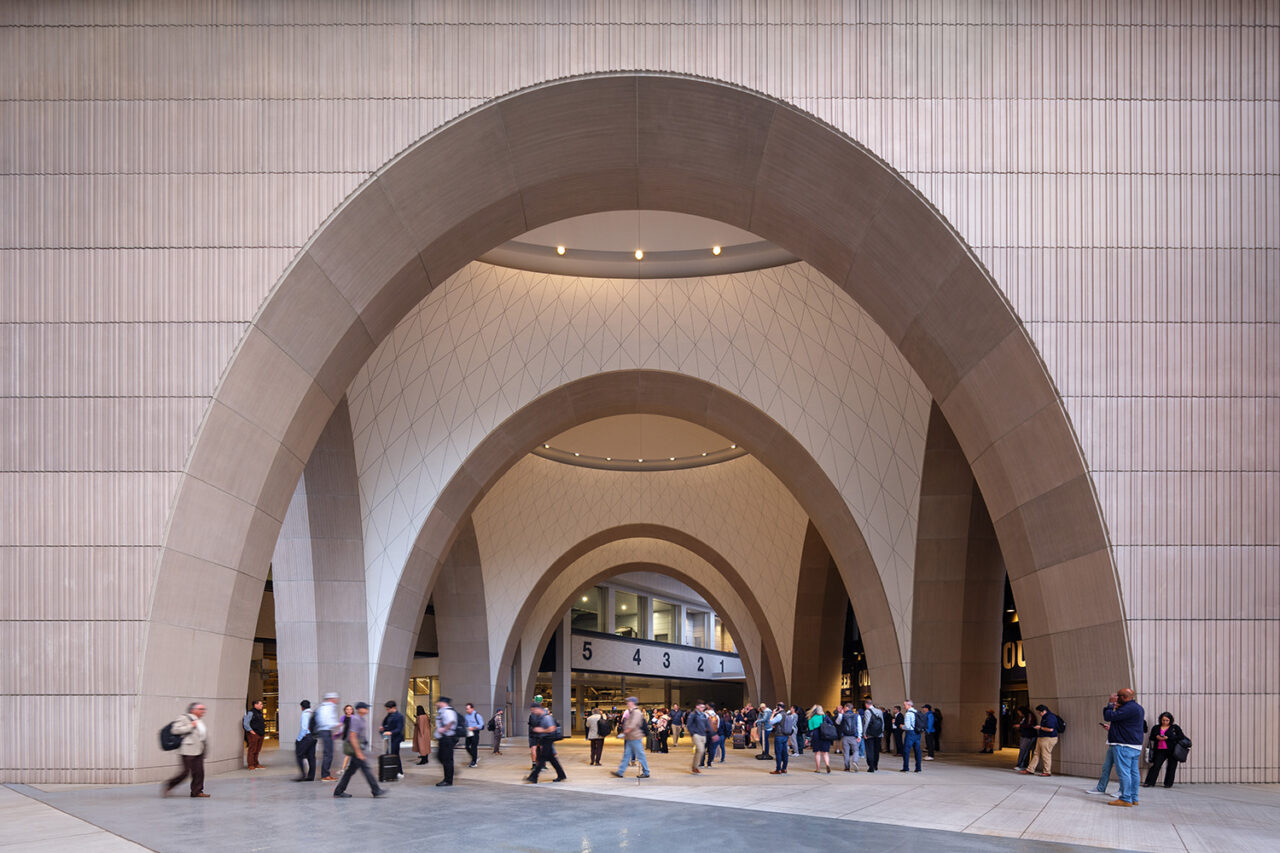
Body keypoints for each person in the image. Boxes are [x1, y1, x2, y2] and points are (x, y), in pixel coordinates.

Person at [333, 702, 387, 798]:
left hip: (358, 749)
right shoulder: (356, 719)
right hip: (355, 749)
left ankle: (338, 791)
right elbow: (352, 736)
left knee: (350, 771)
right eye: (365, 708)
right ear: (360, 709)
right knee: (366, 769)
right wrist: (358, 753)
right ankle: (376, 790)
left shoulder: (361, 719)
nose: (367, 709)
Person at [1102, 688, 1145, 806]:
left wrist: (1110, 703)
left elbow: (1109, 716)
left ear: (1124, 697)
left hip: (1124, 744)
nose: (1116, 698)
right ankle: (1134, 797)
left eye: (1118, 696)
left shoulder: (1128, 708)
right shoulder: (1138, 708)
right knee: (1133, 772)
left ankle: (1126, 798)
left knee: (1124, 772)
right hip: (1135, 745)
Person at [163, 702, 210, 798]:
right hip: (188, 749)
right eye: (201, 709)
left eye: (203, 709)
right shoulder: (184, 718)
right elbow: (175, 730)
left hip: (199, 750)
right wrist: (191, 726)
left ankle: (196, 792)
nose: (203, 711)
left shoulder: (199, 720)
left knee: (199, 772)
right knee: (185, 772)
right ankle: (169, 785)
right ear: (193, 710)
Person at [1086, 694, 1121, 795]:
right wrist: (1111, 729)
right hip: (1112, 743)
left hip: (1120, 745)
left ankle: (1123, 791)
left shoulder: (1125, 712)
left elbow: (1125, 730)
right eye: (1112, 702)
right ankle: (1101, 788)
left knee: (1121, 769)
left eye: (1114, 702)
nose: (1113, 704)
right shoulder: (1117, 712)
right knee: (1106, 767)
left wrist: (1110, 705)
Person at [525, 702, 567, 783]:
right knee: (552, 759)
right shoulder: (541, 717)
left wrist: (541, 730)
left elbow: (552, 728)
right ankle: (561, 775)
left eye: (533, 710)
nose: (533, 712)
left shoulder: (546, 717)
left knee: (541, 759)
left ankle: (534, 777)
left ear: (538, 709)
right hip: (545, 740)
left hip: (548, 739)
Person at [1144, 711, 1187, 789]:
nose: (1164, 722)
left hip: (1172, 750)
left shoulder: (1175, 728)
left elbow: (1181, 737)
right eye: (1163, 720)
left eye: (1167, 720)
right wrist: (1157, 736)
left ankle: (1168, 783)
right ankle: (1149, 782)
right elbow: (1151, 737)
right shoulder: (1156, 727)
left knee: (1171, 767)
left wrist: (1168, 738)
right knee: (1156, 766)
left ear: (1170, 720)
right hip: (1160, 750)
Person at [612, 696, 650, 778]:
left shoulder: (636, 712)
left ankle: (646, 772)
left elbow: (633, 725)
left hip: (635, 737)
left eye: (628, 701)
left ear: (632, 703)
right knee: (626, 755)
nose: (627, 703)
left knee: (640, 755)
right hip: (630, 738)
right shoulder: (631, 712)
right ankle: (620, 772)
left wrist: (625, 732)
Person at [1022, 704, 1061, 777]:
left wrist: (1040, 727)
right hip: (1042, 738)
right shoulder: (1045, 716)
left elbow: (1050, 729)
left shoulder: (1050, 717)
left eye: (1040, 712)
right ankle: (1030, 769)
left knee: (1046, 755)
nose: (1039, 714)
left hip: (1048, 738)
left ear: (1044, 711)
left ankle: (1047, 771)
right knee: (1036, 754)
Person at [434, 696, 459, 787]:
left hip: (447, 738)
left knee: (447, 759)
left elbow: (451, 721)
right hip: (444, 738)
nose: (437, 704)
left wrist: (444, 729)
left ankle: (448, 780)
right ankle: (450, 774)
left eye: (438, 702)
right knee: (442, 757)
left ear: (443, 703)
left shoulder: (447, 711)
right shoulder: (443, 711)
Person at [317, 693, 341, 780]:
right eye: (336, 698)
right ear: (332, 699)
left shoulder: (323, 707)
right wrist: (337, 724)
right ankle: (325, 775)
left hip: (325, 731)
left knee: (328, 754)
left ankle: (326, 774)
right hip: (326, 731)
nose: (337, 700)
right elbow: (326, 721)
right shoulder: (328, 707)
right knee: (328, 754)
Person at [686, 700, 711, 774]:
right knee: (701, 750)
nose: (702, 708)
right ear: (697, 706)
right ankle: (695, 767)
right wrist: (693, 733)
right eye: (701, 707)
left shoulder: (703, 715)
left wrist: (711, 732)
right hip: (696, 735)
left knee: (698, 752)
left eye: (703, 707)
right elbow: (689, 725)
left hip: (703, 735)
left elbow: (707, 724)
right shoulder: (693, 714)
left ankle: (695, 767)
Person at [837, 702, 863, 771]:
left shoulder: (843, 715)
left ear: (847, 708)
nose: (844, 708)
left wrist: (840, 714)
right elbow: (859, 726)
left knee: (846, 752)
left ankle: (847, 767)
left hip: (845, 736)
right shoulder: (857, 716)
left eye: (844, 707)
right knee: (856, 751)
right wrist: (859, 736)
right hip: (854, 736)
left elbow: (837, 722)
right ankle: (855, 761)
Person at [295, 699, 317, 781]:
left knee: (299, 755)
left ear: (302, 707)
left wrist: (299, 739)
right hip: (314, 737)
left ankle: (302, 775)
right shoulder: (313, 713)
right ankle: (311, 776)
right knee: (311, 757)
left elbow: (304, 728)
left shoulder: (304, 714)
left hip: (307, 737)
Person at [807, 705, 833, 773]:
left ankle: (818, 769)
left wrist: (807, 739)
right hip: (825, 735)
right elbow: (831, 723)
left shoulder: (811, 718)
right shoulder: (825, 717)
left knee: (817, 753)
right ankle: (827, 764)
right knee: (825, 753)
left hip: (816, 735)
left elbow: (810, 729)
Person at [861, 697, 884, 772]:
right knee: (876, 750)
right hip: (878, 734)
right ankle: (875, 765)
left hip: (870, 734)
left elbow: (866, 723)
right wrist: (881, 732)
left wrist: (864, 733)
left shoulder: (867, 711)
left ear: (866, 704)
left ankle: (871, 767)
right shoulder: (879, 711)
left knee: (870, 750)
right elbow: (882, 722)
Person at [900, 700, 922, 772]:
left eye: (905, 705)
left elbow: (907, 726)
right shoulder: (917, 712)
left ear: (909, 705)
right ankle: (918, 768)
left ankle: (906, 767)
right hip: (917, 733)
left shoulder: (908, 714)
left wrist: (901, 726)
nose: (904, 707)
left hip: (910, 733)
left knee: (906, 751)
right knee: (917, 751)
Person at [244, 699, 266, 770]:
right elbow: (246, 723)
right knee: (252, 749)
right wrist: (251, 731)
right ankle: (250, 764)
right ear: (255, 705)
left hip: (261, 734)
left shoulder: (260, 713)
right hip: (254, 734)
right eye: (260, 704)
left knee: (257, 750)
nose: (262, 705)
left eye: (262, 704)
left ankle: (256, 764)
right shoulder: (251, 712)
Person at [769, 703, 790, 774]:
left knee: (778, 753)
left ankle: (778, 769)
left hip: (779, 736)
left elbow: (770, 722)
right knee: (785, 753)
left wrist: (773, 713)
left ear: (779, 707)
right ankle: (784, 768)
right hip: (785, 735)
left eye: (776, 707)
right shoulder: (787, 714)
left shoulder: (779, 715)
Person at [1014, 706, 1037, 771]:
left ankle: (1022, 765)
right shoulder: (1025, 717)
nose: (1019, 714)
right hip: (1025, 735)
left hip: (1028, 736)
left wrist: (1020, 726)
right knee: (1023, 750)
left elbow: (1029, 725)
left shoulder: (1029, 716)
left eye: (1019, 712)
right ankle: (1022, 764)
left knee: (1024, 751)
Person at [463, 703, 484, 767]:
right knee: (467, 746)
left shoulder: (477, 715)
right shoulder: (466, 716)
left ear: (472, 708)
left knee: (473, 747)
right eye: (466, 709)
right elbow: (465, 723)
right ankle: (474, 757)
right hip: (468, 732)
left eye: (468, 709)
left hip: (475, 732)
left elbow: (481, 725)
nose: (467, 710)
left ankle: (474, 762)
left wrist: (473, 727)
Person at [337, 704, 355, 775]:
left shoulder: (354, 718)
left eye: (350, 709)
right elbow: (341, 728)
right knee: (350, 754)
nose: (349, 711)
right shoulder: (343, 718)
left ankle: (343, 769)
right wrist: (338, 734)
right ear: (345, 710)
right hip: (345, 737)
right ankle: (349, 768)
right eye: (347, 709)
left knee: (348, 754)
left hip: (352, 737)